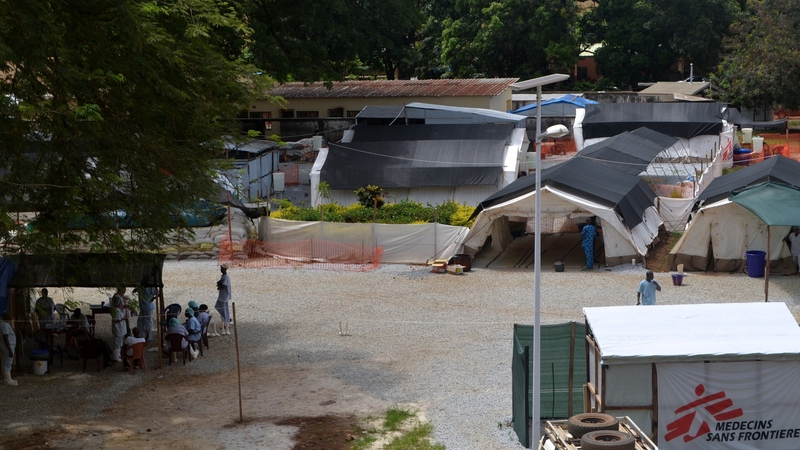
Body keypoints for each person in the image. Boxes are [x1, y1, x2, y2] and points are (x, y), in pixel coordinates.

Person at [110, 288, 128, 361]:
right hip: (118, 328)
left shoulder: (117, 310)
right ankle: (116, 357)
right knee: (117, 342)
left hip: (120, 328)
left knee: (120, 341)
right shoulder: (116, 311)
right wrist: (124, 318)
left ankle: (119, 355)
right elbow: (117, 320)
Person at [215, 263, 232, 336]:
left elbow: (224, 285)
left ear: (225, 269)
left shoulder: (226, 277)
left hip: (224, 296)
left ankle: (227, 322)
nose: (221, 270)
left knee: (225, 310)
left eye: (222, 268)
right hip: (221, 295)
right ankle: (226, 319)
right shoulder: (223, 276)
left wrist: (219, 286)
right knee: (218, 306)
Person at [1, 312, 17, 386]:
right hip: (8, 347)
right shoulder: (5, 325)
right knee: (7, 363)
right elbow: (5, 337)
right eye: (10, 315)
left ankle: (8, 378)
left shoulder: (4, 324)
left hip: (8, 346)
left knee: (6, 362)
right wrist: (10, 350)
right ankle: (7, 381)